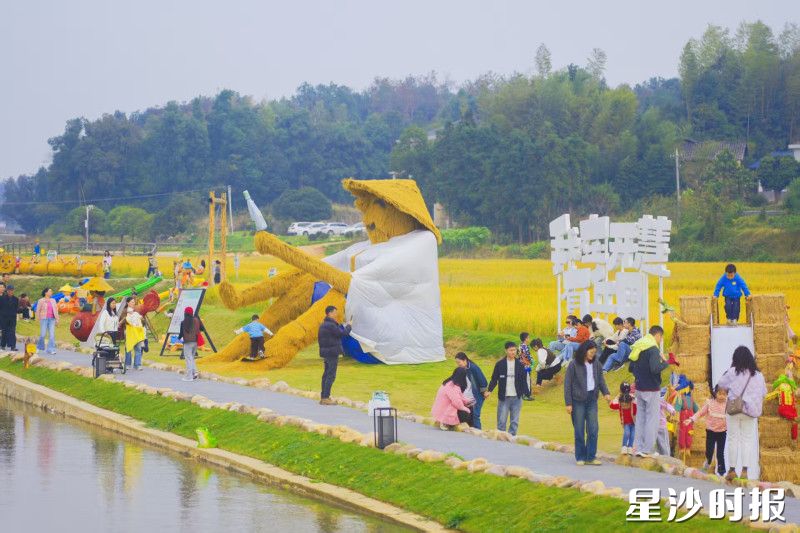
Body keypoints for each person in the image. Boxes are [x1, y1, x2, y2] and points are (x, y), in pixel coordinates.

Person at [717, 346, 767, 481]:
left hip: (735, 409)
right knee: (747, 440)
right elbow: (764, 393)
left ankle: (732, 470)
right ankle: (745, 471)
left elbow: (721, 384)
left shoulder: (732, 372)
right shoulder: (759, 375)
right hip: (750, 411)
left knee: (733, 438)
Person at [628, 325, 673, 457]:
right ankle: (647, 450)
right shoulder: (653, 349)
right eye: (661, 337)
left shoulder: (639, 345)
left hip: (639, 388)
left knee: (641, 418)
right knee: (652, 419)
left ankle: (638, 447)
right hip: (652, 388)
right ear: (658, 335)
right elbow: (655, 368)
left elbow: (631, 368)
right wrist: (666, 362)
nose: (660, 340)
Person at [564, 340, 610, 465]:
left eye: (594, 353)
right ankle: (580, 457)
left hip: (592, 399)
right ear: (584, 350)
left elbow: (601, 380)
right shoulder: (574, 364)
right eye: (591, 352)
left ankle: (591, 456)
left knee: (593, 429)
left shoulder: (596, 363)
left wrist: (606, 393)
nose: (592, 355)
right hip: (577, 401)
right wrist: (568, 403)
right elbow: (567, 384)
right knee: (579, 430)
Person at [485, 341, 530, 436]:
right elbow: (494, 379)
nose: (513, 352)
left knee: (514, 422)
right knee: (501, 421)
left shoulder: (520, 365)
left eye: (514, 350)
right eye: (511, 350)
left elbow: (523, 380)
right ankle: (500, 439)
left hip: (517, 397)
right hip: (504, 397)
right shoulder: (500, 364)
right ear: (506, 351)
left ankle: (511, 439)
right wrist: (489, 390)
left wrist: (527, 393)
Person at [685, 385, 728, 475]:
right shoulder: (710, 403)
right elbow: (700, 413)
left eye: (724, 394)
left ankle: (721, 471)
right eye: (720, 394)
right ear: (715, 393)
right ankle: (707, 463)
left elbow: (733, 416)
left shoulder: (728, 404)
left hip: (722, 432)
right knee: (709, 451)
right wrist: (691, 419)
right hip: (711, 432)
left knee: (720, 453)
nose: (722, 396)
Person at [317, 305, 351, 405]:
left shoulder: (323, 325)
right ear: (330, 313)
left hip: (326, 353)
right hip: (332, 352)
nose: (336, 314)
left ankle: (323, 397)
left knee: (326, 374)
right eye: (335, 312)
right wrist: (349, 326)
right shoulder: (331, 325)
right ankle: (326, 397)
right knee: (331, 375)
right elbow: (343, 333)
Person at [455, 352, 488, 429]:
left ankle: (478, 431)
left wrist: (484, 392)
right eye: (457, 363)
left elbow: (482, 380)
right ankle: (470, 430)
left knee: (475, 415)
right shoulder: (464, 369)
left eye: (459, 362)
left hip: (477, 395)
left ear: (465, 360)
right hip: (468, 396)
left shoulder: (473, 368)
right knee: (467, 413)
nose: (458, 364)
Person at [610, 381, 637, 455]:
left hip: (634, 421)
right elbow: (612, 405)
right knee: (627, 433)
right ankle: (624, 447)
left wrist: (633, 397)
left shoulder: (632, 398)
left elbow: (638, 405)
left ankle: (630, 447)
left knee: (632, 435)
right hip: (626, 421)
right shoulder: (620, 400)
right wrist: (617, 397)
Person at [178, 307, 202, 381]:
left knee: (188, 359)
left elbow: (181, 334)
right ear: (192, 313)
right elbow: (201, 329)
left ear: (185, 313)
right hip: (195, 342)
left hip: (187, 343)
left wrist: (178, 339)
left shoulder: (183, 322)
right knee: (191, 358)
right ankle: (195, 372)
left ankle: (189, 377)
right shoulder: (196, 320)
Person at [122, 298, 146, 370]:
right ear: (128, 303)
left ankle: (137, 365)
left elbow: (142, 321)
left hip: (137, 332)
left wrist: (141, 319)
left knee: (138, 348)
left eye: (134, 302)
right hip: (129, 333)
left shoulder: (136, 313)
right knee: (128, 349)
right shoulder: (124, 312)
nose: (133, 303)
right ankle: (128, 364)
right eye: (132, 302)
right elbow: (124, 321)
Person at [36, 288, 59, 354]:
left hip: (52, 319)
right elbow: (38, 310)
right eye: (50, 291)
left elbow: (56, 310)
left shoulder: (53, 300)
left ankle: (50, 349)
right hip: (44, 319)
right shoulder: (41, 300)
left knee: (52, 335)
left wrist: (57, 319)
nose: (51, 292)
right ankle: (39, 347)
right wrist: (38, 318)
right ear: (46, 293)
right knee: (43, 335)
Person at [0, 285, 19, 350]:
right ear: (7, 290)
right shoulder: (2, 298)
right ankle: (3, 345)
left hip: (12, 318)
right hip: (4, 318)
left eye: (12, 290)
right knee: (4, 331)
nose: (10, 291)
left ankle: (13, 346)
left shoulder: (16, 299)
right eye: (9, 290)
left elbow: (16, 308)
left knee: (12, 332)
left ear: (13, 291)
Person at [518, 332, 534, 401]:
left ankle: (523, 394)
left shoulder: (520, 345)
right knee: (527, 380)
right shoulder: (525, 346)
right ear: (525, 339)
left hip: (520, 365)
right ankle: (527, 395)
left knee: (523, 380)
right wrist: (532, 361)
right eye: (528, 337)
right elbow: (527, 356)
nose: (529, 339)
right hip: (526, 365)